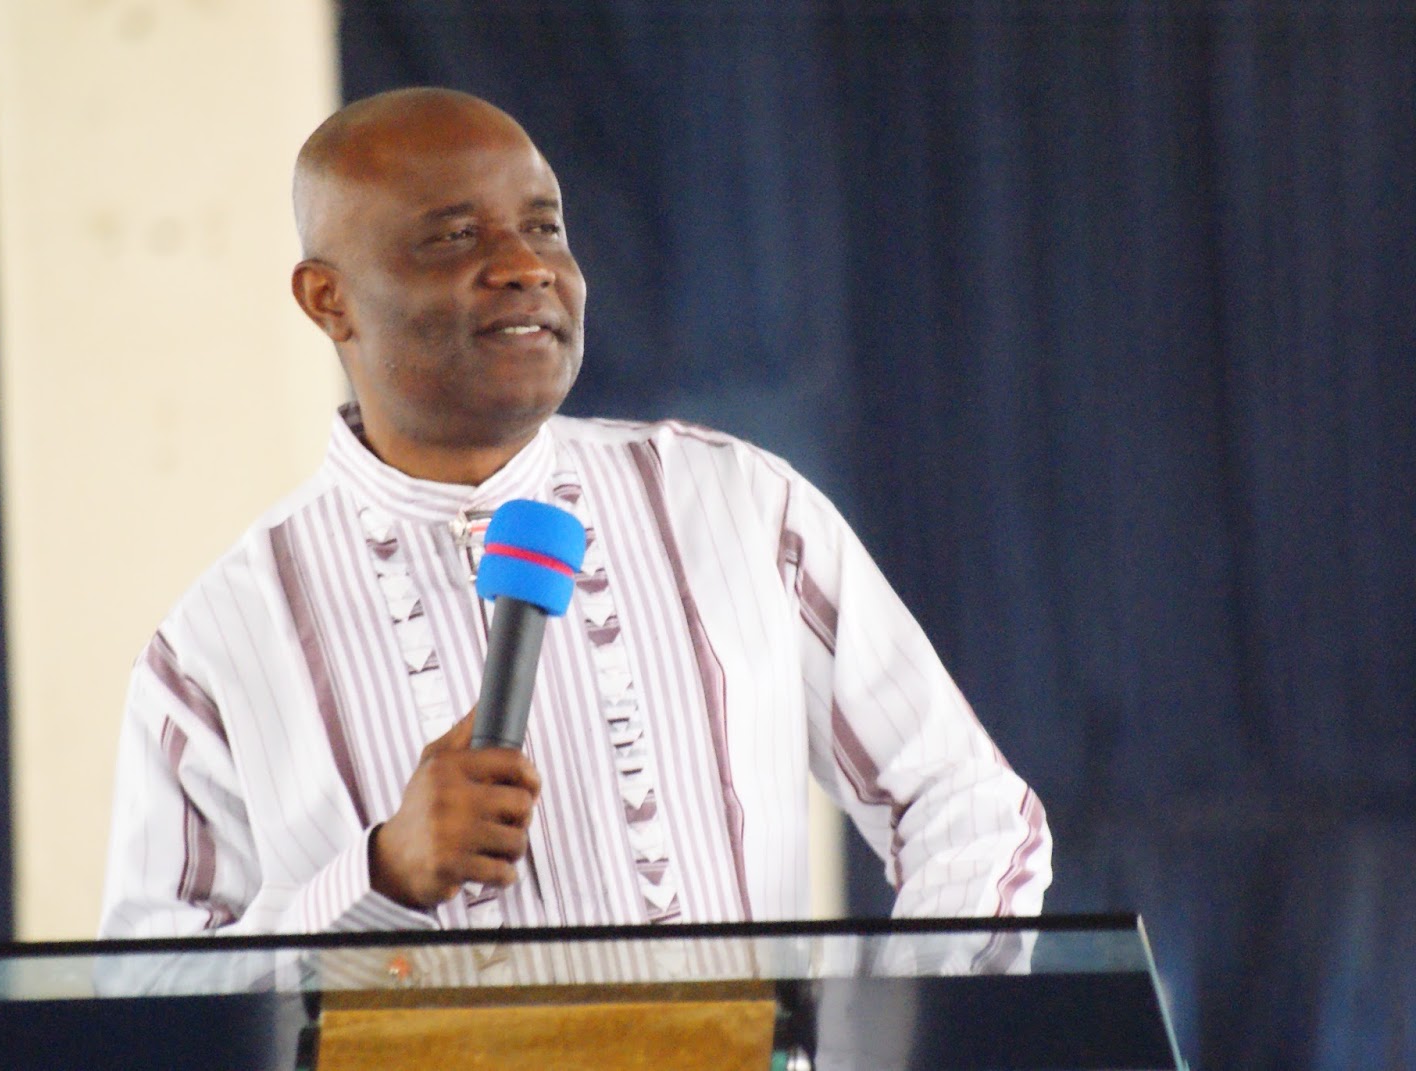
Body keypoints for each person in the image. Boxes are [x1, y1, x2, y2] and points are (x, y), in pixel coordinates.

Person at [98, 87, 1052, 939]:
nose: (526, 265)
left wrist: (885, 1038)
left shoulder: (738, 506)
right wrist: (376, 877)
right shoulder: (218, 643)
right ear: (328, 299)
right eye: (455, 236)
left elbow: (969, 808)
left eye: (545, 227)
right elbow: (156, 998)